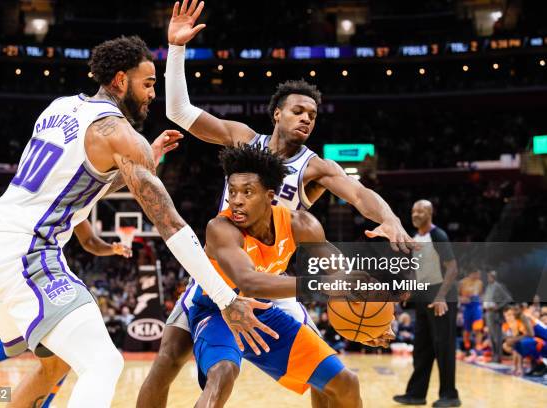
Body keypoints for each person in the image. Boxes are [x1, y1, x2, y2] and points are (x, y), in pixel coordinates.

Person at [0, 35, 276, 408]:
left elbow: (71, 182)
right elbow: (172, 226)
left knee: (55, 368)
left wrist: (147, 158)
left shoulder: (59, 107)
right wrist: (226, 299)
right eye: (147, 84)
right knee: (104, 363)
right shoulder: (118, 133)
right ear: (120, 80)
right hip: (28, 252)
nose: (152, 94)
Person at [138, 2, 414, 406]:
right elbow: (179, 111)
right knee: (167, 361)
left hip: (275, 285)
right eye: (298, 111)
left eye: (313, 115)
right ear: (276, 114)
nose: (307, 119)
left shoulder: (313, 167)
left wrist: (388, 219)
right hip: (219, 274)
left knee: (329, 379)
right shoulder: (242, 139)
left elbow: (358, 194)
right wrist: (176, 50)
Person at [187, 143, 394, 407]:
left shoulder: (301, 225)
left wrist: (375, 314)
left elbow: (341, 274)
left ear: (269, 196)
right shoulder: (220, 228)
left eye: (247, 192)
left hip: (264, 313)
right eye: (233, 192)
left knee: (345, 382)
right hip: (218, 312)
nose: (236, 200)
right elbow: (249, 282)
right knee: (222, 374)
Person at [0, 219, 132, 404]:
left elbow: (89, 240)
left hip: (6, 263)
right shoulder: (64, 189)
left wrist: (110, 248)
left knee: (53, 353)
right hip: (25, 266)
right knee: (64, 355)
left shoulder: (73, 196)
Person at [394, 200, 461, 407]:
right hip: (424, 295)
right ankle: (416, 394)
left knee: (444, 347)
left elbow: (452, 268)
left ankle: (450, 396)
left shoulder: (438, 235)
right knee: (422, 347)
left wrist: (440, 296)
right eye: (413, 210)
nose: (415, 214)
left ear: (430, 213)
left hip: (442, 294)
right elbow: (417, 269)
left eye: (420, 211)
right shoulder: (415, 238)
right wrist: (409, 290)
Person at [483, 270, 512, 363]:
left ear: (494, 276)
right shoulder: (488, 286)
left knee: (497, 337)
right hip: (488, 313)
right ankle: (494, 356)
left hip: (495, 314)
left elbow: (508, 298)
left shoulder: (498, 286)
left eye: (490, 276)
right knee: (491, 337)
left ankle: (498, 357)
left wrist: (498, 307)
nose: (488, 278)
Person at [458, 269, 484, 353]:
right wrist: (461, 299)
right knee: (467, 329)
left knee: (478, 328)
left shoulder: (480, 283)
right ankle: (467, 347)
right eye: (477, 273)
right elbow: (457, 296)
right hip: (466, 307)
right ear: (471, 273)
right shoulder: (462, 282)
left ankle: (478, 348)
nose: (478, 275)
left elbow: (481, 295)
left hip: (476, 306)